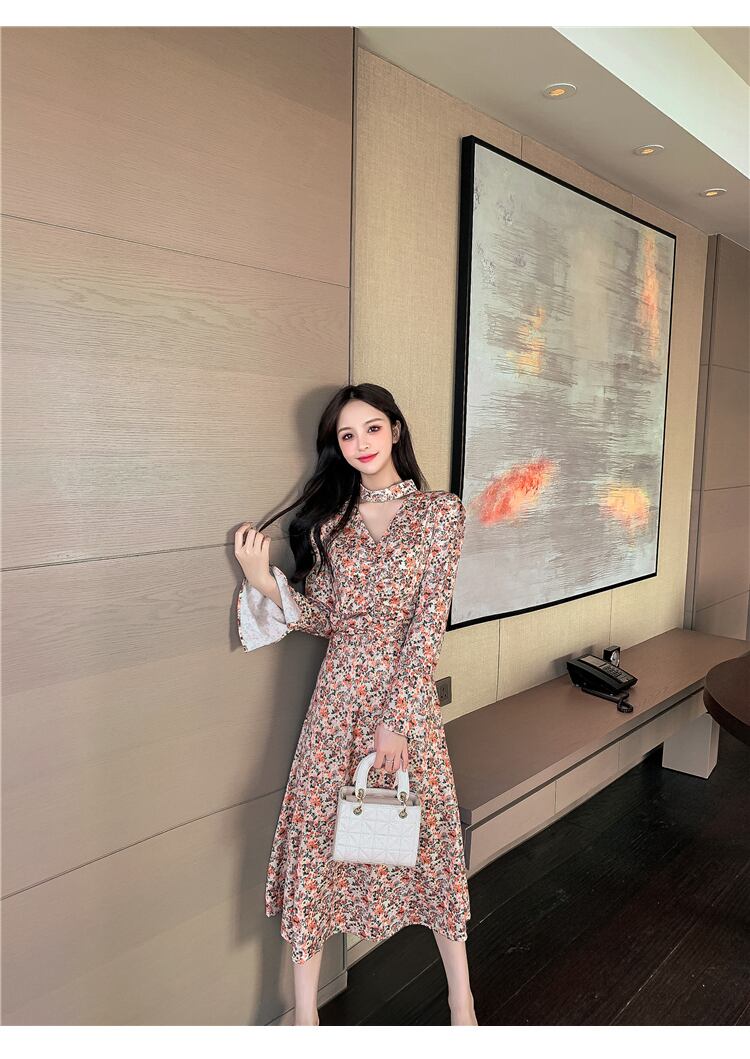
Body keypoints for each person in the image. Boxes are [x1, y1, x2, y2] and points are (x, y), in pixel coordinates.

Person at [234, 382, 477, 1026]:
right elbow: (326, 617)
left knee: (429, 842)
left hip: (404, 702)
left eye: (371, 428)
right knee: (317, 842)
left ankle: (462, 1001)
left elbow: (427, 627)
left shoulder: (440, 513)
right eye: (347, 435)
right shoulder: (331, 525)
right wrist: (265, 584)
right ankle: (306, 1015)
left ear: (395, 430)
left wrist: (395, 721)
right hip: (337, 698)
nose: (361, 444)